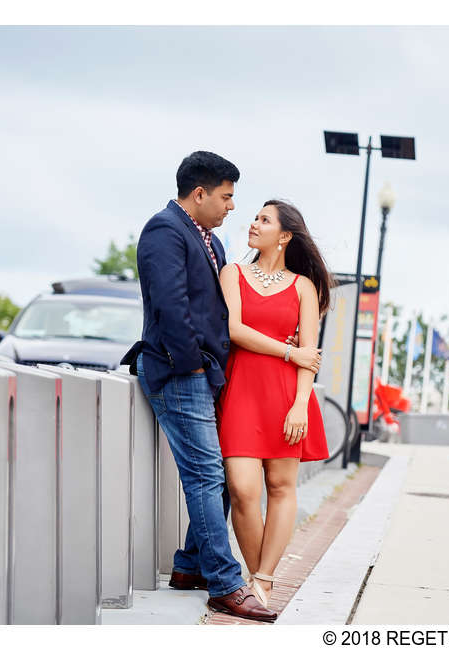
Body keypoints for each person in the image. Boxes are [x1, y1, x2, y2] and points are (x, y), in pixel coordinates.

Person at [120, 152, 320, 622]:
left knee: (224, 480)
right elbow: (172, 310)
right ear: (200, 193)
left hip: (211, 377)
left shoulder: (208, 241)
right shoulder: (165, 231)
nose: (233, 207)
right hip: (178, 371)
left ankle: (191, 566)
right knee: (211, 476)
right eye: (228, 198)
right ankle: (227, 584)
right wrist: (194, 367)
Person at [217, 198, 331, 610]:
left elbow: (310, 354)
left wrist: (300, 404)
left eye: (264, 220)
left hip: (287, 398)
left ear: (284, 236)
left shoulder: (304, 286)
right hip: (242, 392)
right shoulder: (233, 273)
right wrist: (287, 353)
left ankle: (261, 581)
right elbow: (233, 330)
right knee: (243, 489)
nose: (254, 223)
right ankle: (256, 577)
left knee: (281, 488)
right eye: (255, 217)